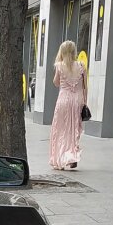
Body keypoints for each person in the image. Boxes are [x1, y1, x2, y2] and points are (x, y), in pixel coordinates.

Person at [48, 41, 86, 171]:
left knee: (60, 130)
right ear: (74, 52)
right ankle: (72, 156)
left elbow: (56, 83)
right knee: (73, 129)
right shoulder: (81, 66)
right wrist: (84, 103)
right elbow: (84, 87)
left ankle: (59, 158)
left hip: (63, 100)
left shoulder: (59, 66)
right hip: (77, 101)